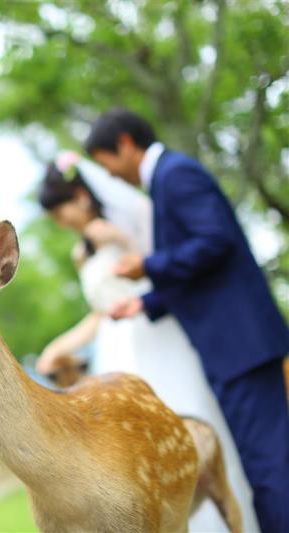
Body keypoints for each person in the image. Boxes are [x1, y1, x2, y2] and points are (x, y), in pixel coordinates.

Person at [84, 108, 289, 533]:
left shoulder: (177, 174)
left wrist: (149, 265)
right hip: (236, 346)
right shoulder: (167, 179)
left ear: (125, 143)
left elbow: (216, 241)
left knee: (269, 466)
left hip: (240, 344)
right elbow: (200, 270)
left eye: (109, 163)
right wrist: (147, 303)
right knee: (266, 461)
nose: (113, 176)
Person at [36, 152, 259, 532]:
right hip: (115, 349)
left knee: (185, 430)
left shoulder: (134, 217)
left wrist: (122, 240)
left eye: (61, 212)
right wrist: (59, 346)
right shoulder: (80, 252)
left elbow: (166, 268)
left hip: (155, 333)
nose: (62, 222)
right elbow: (100, 313)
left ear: (80, 196)